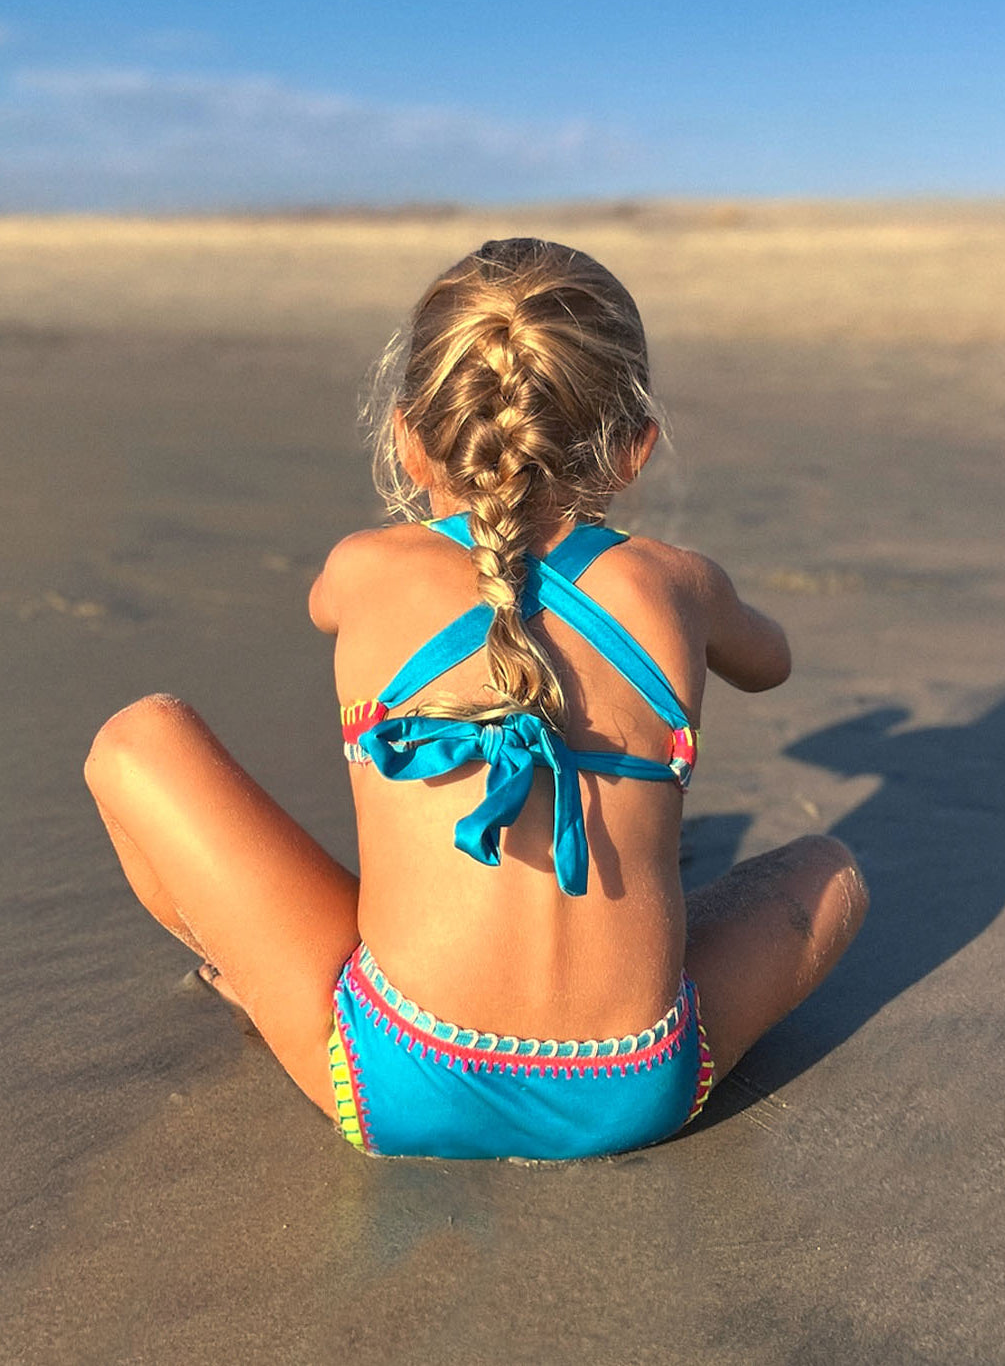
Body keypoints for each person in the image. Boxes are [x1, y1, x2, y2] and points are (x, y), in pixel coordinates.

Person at [84, 238, 868, 1160]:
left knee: (140, 738)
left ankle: (250, 972)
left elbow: (323, 612)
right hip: (636, 1086)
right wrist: (690, 604)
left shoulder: (363, 567)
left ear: (410, 438)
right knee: (829, 872)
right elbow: (768, 663)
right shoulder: (678, 582)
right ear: (633, 447)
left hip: (394, 1071)